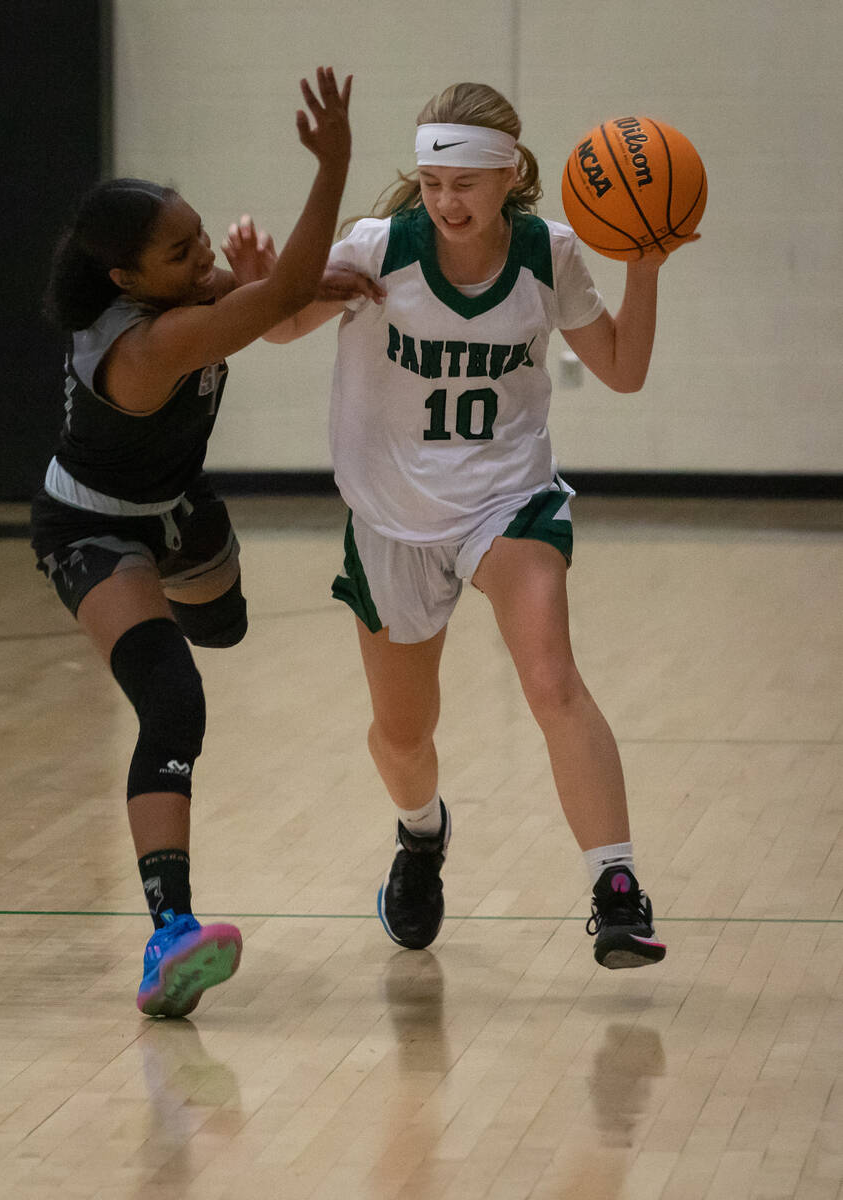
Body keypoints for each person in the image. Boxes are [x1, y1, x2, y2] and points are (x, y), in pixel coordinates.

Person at [225, 81, 695, 969]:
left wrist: (645, 262)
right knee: (403, 736)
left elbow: (623, 371)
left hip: (504, 500)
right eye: (434, 182)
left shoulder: (548, 255)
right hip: (391, 518)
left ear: (508, 176)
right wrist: (261, 286)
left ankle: (617, 888)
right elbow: (284, 330)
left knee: (551, 680)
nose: (446, 200)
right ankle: (419, 834)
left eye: (466, 184)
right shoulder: (376, 249)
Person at [30, 68, 353, 1016]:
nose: (200, 253)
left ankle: (158, 618)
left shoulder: (185, 288)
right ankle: (169, 935)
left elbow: (283, 303)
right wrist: (330, 168)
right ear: (128, 279)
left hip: (178, 507)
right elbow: (284, 294)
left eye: (198, 232)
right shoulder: (143, 345)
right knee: (174, 704)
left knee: (225, 629)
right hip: (92, 523)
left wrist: (279, 284)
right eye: (181, 251)